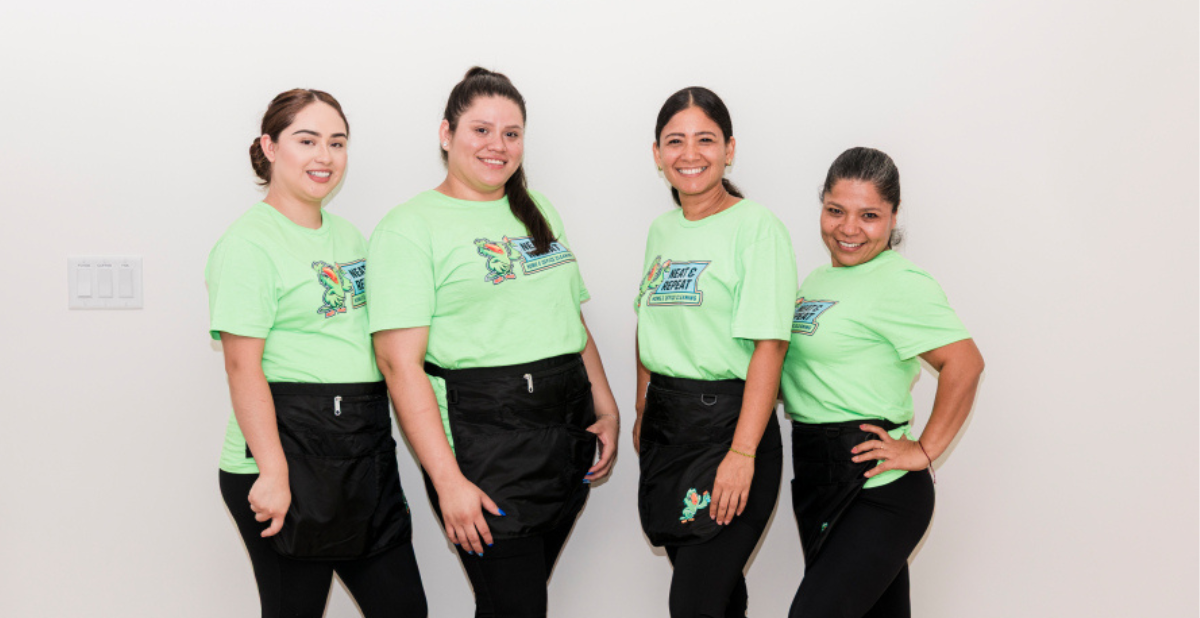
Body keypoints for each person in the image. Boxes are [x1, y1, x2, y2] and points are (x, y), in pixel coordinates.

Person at [369, 67, 620, 618]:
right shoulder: (409, 228)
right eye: (480, 130)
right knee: (517, 604)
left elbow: (569, 320)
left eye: (512, 133)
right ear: (446, 134)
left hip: (563, 432)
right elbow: (398, 364)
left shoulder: (538, 209)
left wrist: (606, 406)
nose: (497, 145)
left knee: (516, 603)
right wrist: (447, 481)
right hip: (482, 447)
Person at [207, 90, 427, 617]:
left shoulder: (350, 237)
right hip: (282, 458)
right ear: (270, 147)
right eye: (306, 141)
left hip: (356, 451)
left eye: (337, 142)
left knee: (403, 609)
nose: (324, 157)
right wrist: (274, 473)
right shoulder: (248, 245)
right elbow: (242, 368)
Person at [782, 147, 985, 618]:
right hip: (817, 478)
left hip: (878, 490)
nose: (848, 228)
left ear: (893, 217)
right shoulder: (815, 280)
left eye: (868, 215)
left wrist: (923, 450)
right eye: (835, 211)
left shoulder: (901, 281)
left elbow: (966, 363)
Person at [633, 86, 798, 618]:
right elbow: (647, 324)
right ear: (657, 154)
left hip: (731, 432)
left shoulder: (756, 229)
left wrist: (742, 455)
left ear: (729, 149)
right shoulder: (662, 229)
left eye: (705, 139)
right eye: (674, 141)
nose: (690, 153)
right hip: (668, 429)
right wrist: (642, 409)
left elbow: (770, 347)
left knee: (694, 604)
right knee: (720, 599)